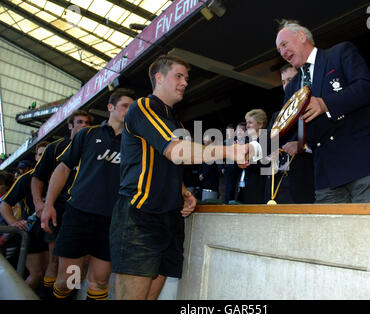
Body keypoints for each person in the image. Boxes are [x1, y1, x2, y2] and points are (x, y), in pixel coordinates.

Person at [110, 55, 248, 300]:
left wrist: (182, 191)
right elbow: (176, 152)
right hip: (140, 215)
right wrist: (228, 150)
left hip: (169, 219)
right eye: (179, 76)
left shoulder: (175, 120)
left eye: (187, 78)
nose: (185, 82)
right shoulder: (143, 107)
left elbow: (167, 164)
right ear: (159, 78)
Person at [276, 20, 370, 203]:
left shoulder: (340, 53)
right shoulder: (293, 86)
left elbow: (366, 89)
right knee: (330, 230)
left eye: (284, 45)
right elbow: (283, 125)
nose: (283, 53)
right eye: (279, 51)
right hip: (326, 175)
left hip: (363, 163)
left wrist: (325, 104)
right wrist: (253, 147)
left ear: (301, 36)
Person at [40, 88, 135, 300]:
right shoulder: (88, 134)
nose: (129, 111)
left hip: (112, 221)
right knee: (69, 280)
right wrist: (48, 205)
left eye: (132, 108)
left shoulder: (135, 142)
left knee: (100, 281)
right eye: (124, 106)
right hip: (78, 215)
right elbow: (63, 169)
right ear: (110, 107)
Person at [31, 110, 92, 298]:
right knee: (55, 261)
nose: (84, 126)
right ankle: (47, 296)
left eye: (88, 123)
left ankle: (67, 295)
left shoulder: (93, 148)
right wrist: (40, 204)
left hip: (83, 213)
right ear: (70, 126)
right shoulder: (55, 148)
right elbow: (37, 178)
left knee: (78, 267)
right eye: (80, 122)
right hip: (58, 211)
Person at [0, 141, 49, 290]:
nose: (44, 157)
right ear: (36, 157)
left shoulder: (61, 174)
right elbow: (5, 204)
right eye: (41, 154)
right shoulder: (26, 178)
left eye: (47, 153)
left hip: (52, 232)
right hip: (33, 233)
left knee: (48, 274)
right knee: (37, 273)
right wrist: (13, 222)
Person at [264, 64, 315, 204]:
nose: (286, 85)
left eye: (290, 80)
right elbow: (265, 147)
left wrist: (302, 145)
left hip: (303, 186)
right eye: (283, 82)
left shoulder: (313, 108)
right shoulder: (276, 116)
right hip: (275, 189)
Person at [236, 109, 268, 204]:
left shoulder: (266, 141)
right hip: (244, 188)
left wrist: (245, 156)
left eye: (250, 122)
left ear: (260, 125)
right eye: (246, 123)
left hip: (260, 190)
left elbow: (265, 166)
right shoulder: (247, 142)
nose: (247, 126)